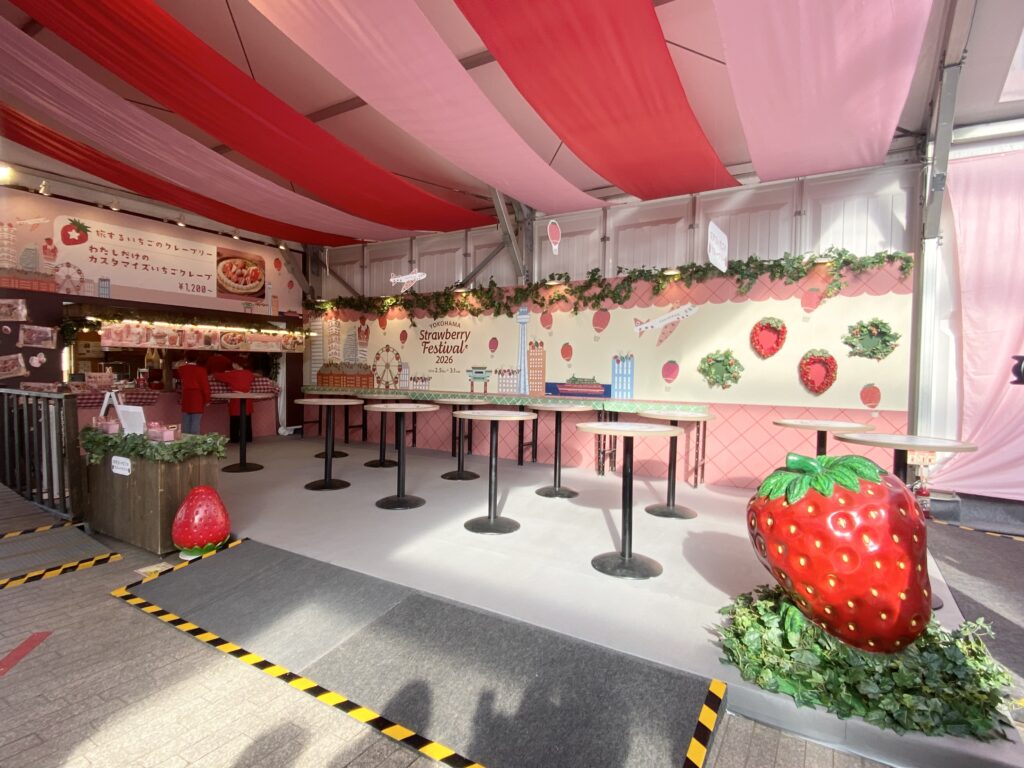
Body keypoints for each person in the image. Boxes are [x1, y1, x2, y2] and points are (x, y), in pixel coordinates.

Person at [214, 362, 257, 443]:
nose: (232, 365)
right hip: (247, 398)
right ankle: (248, 438)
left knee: (235, 420)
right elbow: (253, 378)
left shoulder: (232, 374)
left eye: (233, 363)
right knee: (247, 418)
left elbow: (217, 376)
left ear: (237, 364)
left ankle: (235, 439)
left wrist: (222, 372)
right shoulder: (249, 373)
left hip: (236, 399)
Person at [175, 352, 210, 435]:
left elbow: (176, 373)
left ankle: (185, 440)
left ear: (186, 358)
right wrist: (207, 400)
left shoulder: (182, 369)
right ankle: (194, 441)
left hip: (186, 396)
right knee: (195, 423)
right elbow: (205, 387)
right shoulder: (201, 370)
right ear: (197, 359)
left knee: (185, 422)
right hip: (197, 397)